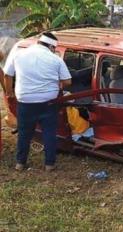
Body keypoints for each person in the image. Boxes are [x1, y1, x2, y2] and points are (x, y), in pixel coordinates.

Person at [3, 32, 72, 171]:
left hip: (25, 102)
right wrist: (58, 85)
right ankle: (49, 165)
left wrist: (9, 92)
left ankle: (20, 163)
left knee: (24, 133)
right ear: (52, 47)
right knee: (49, 133)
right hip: (48, 102)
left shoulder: (18, 54)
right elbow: (68, 81)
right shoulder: (55, 59)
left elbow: (7, 74)